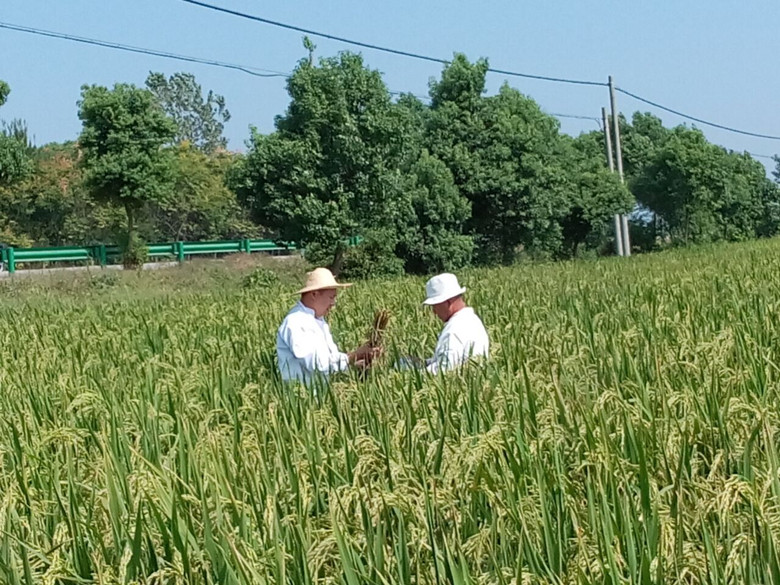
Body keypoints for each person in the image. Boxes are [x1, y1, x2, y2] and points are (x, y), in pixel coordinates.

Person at [276, 267, 380, 384]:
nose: (333, 303)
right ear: (314, 294)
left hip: (321, 395)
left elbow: (329, 361)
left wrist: (355, 363)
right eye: (331, 297)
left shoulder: (318, 321)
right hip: (304, 398)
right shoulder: (296, 322)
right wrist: (351, 357)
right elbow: (316, 364)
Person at [412, 273, 489, 374]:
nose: (434, 312)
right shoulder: (473, 320)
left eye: (435, 306)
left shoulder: (454, 330)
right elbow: (457, 359)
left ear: (447, 302)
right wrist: (426, 362)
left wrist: (413, 373)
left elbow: (444, 369)